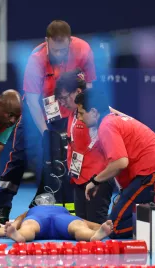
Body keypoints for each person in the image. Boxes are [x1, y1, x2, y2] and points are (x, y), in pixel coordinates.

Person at [0, 20, 97, 224]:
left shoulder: (83, 49)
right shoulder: (35, 59)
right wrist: (45, 133)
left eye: (63, 50)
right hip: (39, 111)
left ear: (70, 41)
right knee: (19, 157)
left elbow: (89, 87)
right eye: (55, 50)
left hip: (69, 110)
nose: (59, 54)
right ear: (46, 41)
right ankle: (2, 209)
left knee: (71, 158)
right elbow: (32, 101)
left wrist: (81, 117)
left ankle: (74, 209)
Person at [75, 89, 155, 239]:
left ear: (94, 112)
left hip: (149, 173)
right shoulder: (112, 119)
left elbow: (120, 163)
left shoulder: (106, 126)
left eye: (81, 113)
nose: (79, 119)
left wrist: (94, 181)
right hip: (147, 173)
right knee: (112, 220)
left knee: (114, 228)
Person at [54, 69, 114, 223]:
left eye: (64, 98)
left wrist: (99, 180)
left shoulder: (94, 114)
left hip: (97, 179)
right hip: (78, 178)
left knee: (96, 226)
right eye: (59, 99)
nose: (62, 103)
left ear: (78, 91)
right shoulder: (73, 113)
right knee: (81, 226)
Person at [0, 193, 113, 242]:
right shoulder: (63, 210)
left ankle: (20, 237)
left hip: (38, 218)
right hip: (63, 219)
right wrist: (99, 228)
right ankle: (92, 236)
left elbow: (13, 225)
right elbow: (86, 222)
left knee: (28, 227)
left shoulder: (31, 211)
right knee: (78, 226)